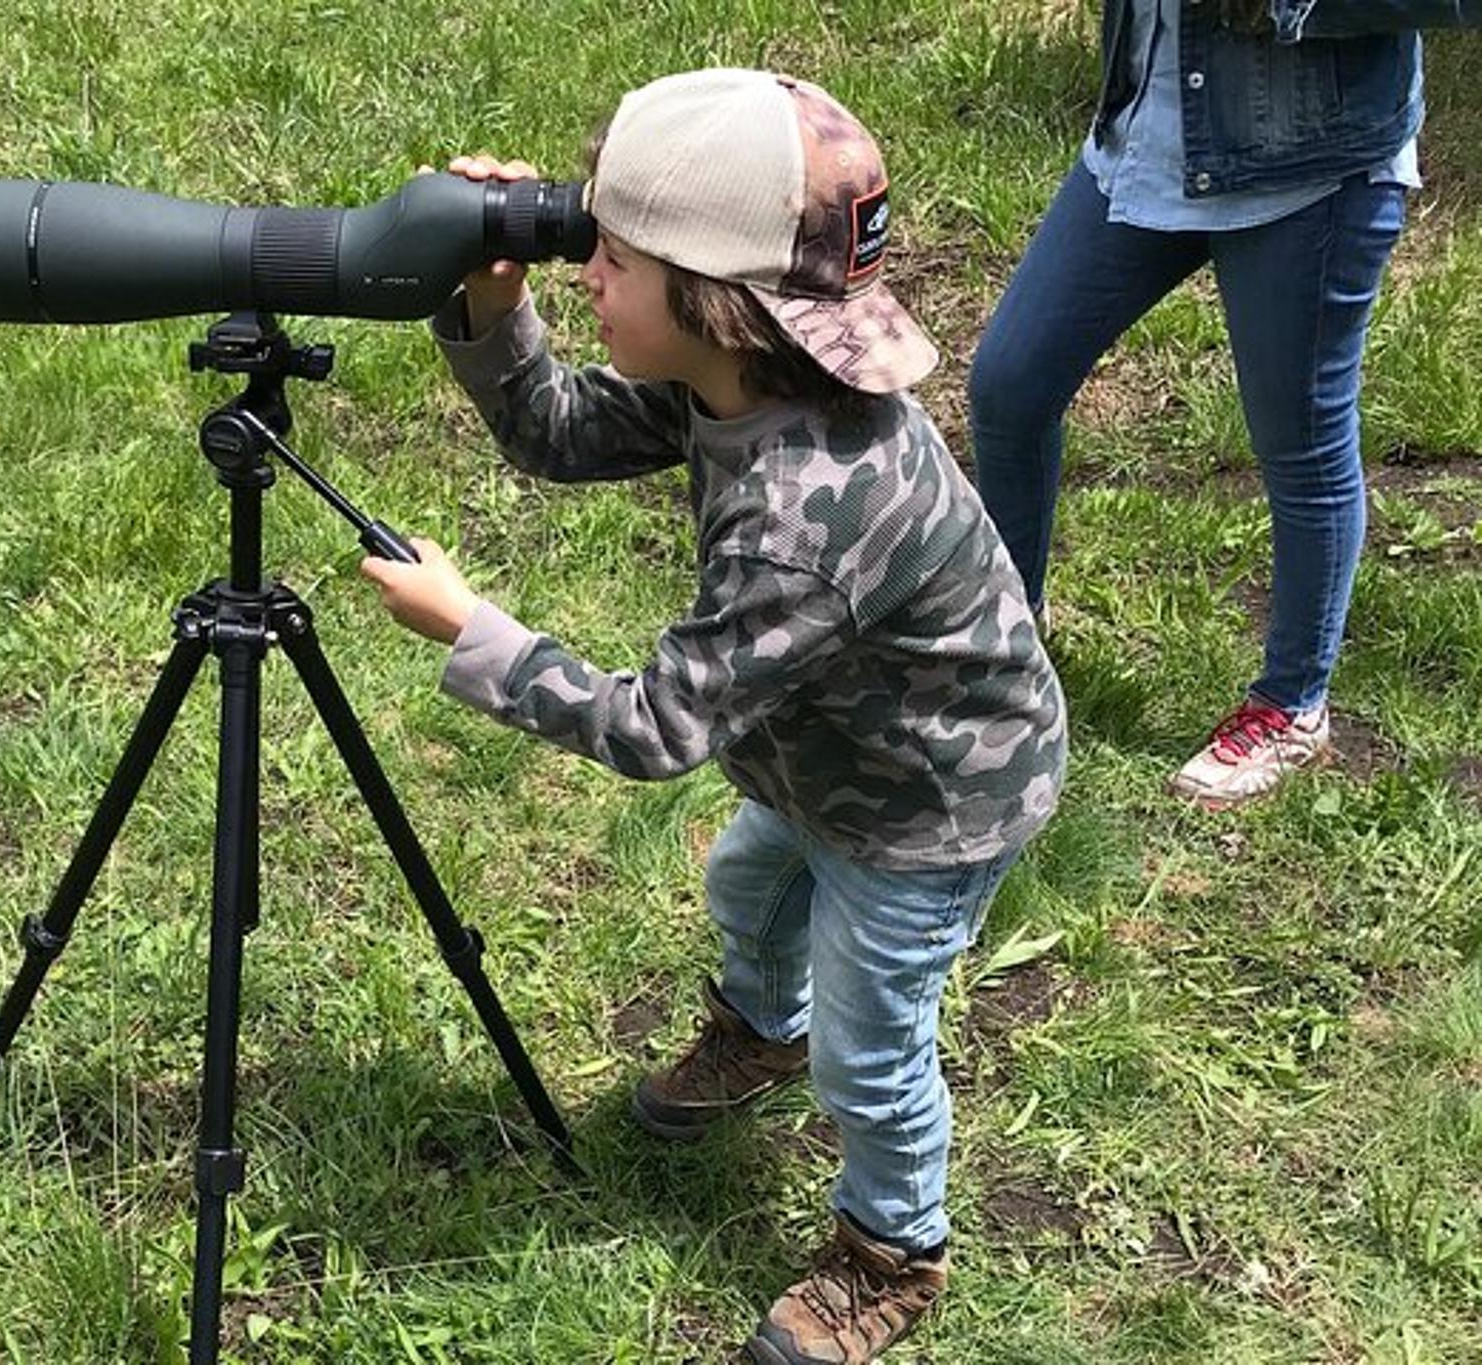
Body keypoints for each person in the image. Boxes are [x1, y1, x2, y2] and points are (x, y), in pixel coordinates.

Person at [358, 69, 1067, 1365]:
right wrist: (491, 299)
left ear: (721, 304)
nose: (589, 275)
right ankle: (757, 1031)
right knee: (750, 893)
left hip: (929, 808)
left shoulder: (811, 517)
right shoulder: (741, 384)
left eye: (613, 257)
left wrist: (476, 633)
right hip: (821, 764)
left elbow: (652, 731)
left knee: (873, 1040)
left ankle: (891, 1252)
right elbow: (559, 432)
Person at [969, 0, 1478, 809]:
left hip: (1306, 167)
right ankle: (1004, 631)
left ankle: (1290, 707)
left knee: (1302, 442)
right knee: (1010, 383)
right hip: (1145, 133)